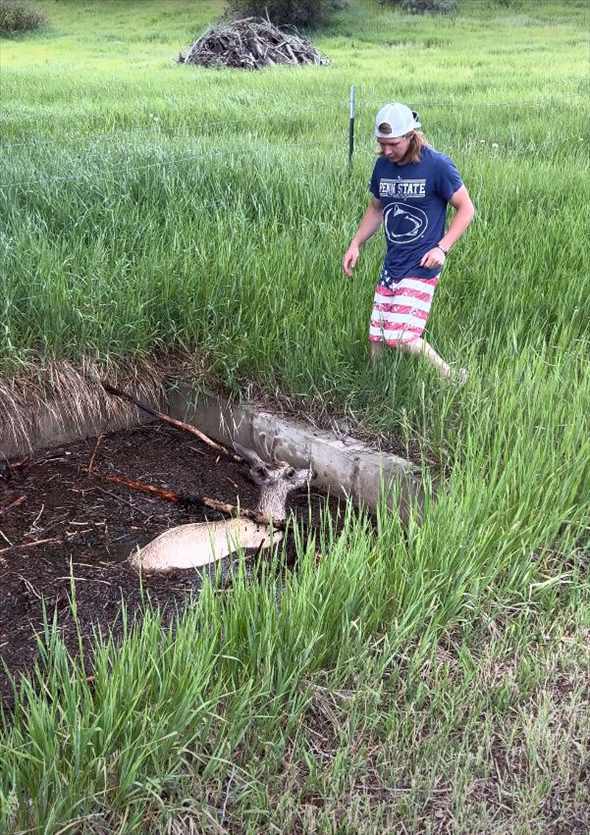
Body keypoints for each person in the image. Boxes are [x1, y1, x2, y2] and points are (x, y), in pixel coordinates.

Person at [343, 102, 475, 383]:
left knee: (402, 336)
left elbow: (466, 208)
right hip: (393, 263)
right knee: (377, 334)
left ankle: (451, 376)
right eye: (381, 144)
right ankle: (375, 384)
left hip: (422, 264)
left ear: (410, 136)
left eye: (392, 144)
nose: (387, 151)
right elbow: (376, 208)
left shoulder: (437, 165)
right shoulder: (383, 166)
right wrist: (356, 243)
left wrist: (442, 248)